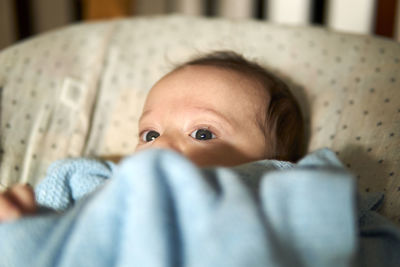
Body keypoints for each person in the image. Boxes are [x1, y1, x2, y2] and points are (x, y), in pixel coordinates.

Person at [0, 50, 304, 222]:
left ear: (270, 164)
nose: (161, 143)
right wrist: (24, 224)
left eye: (202, 133)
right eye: (149, 134)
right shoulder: (90, 181)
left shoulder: (273, 198)